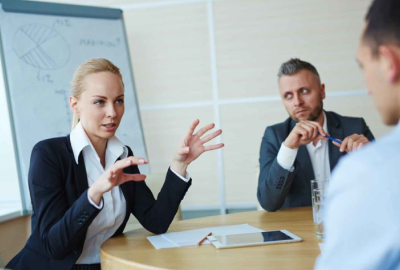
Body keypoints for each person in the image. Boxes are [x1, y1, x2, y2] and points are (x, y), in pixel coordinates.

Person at [6, 58, 224, 270]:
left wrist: (179, 165)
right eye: (100, 102)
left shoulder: (123, 155)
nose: (112, 112)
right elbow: (53, 246)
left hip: (108, 265)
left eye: (118, 100)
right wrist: (94, 193)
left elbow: (155, 221)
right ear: (75, 105)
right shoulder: (49, 155)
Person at [315, 0, 400, 268]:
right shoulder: (276, 135)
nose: (366, 87)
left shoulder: (367, 172)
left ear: (388, 62)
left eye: (363, 66)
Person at [257, 59, 374, 212]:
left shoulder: (356, 127)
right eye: (288, 96)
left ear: (322, 91)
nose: (297, 102)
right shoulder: (274, 136)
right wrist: (289, 148)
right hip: (299, 231)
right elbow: (268, 203)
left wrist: (370, 157)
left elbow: (387, 189)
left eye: (304, 91)